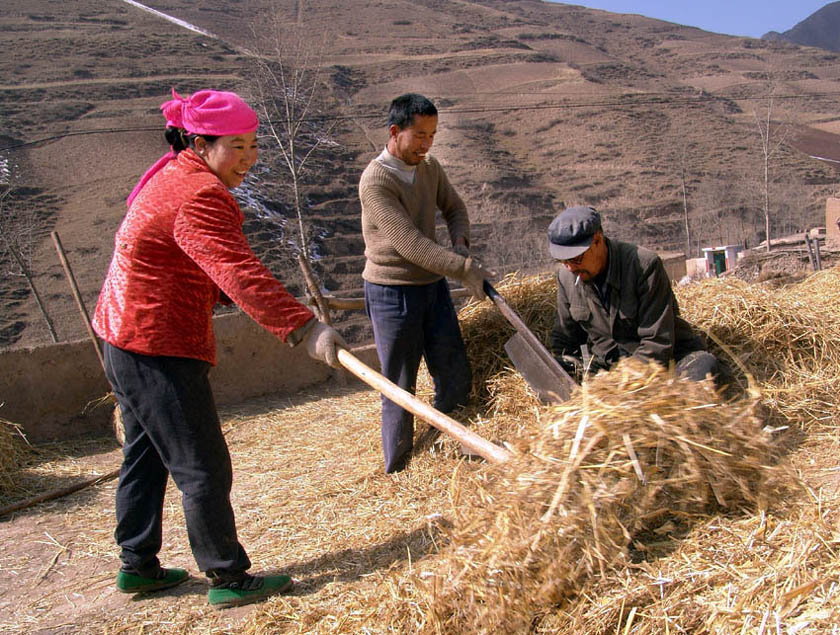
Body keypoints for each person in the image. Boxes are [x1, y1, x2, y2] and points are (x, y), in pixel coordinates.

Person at [92, 88, 345, 609]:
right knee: (201, 464)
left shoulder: (176, 174)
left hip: (123, 338)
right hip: (155, 344)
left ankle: (137, 566)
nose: (249, 158)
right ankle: (226, 576)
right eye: (237, 146)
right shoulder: (198, 195)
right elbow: (238, 273)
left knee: (146, 453)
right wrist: (305, 328)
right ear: (201, 143)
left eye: (254, 145)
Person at [359, 93, 491, 473]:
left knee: (453, 371)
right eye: (419, 135)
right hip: (392, 290)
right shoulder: (376, 181)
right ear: (394, 132)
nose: (427, 144)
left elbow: (455, 208)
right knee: (399, 386)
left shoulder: (429, 168)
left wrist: (460, 243)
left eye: (432, 135)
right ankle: (398, 468)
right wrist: (464, 269)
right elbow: (409, 244)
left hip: (432, 286)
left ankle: (449, 445)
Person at [547, 205, 718, 382]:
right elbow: (565, 339)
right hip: (609, 368)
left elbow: (657, 341)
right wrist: (566, 372)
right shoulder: (566, 277)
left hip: (666, 363)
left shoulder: (644, 266)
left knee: (703, 370)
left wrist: (622, 385)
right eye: (563, 261)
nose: (570, 267)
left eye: (576, 259)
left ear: (598, 240)